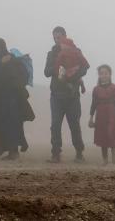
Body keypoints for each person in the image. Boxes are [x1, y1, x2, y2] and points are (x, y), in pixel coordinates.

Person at [44, 25, 90, 163]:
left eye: (59, 37)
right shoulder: (51, 54)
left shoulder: (76, 51)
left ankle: (79, 153)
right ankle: (56, 154)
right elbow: (46, 72)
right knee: (55, 125)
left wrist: (72, 75)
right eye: (54, 37)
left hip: (72, 95)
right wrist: (58, 69)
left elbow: (84, 68)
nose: (57, 40)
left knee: (74, 125)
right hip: (57, 94)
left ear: (65, 36)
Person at [87, 64, 115, 164]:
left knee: (111, 133)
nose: (104, 75)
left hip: (112, 113)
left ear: (110, 74)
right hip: (101, 114)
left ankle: (113, 151)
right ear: (99, 75)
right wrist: (91, 117)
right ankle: (105, 159)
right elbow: (93, 104)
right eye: (101, 73)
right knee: (102, 135)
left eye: (106, 73)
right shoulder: (96, 89)